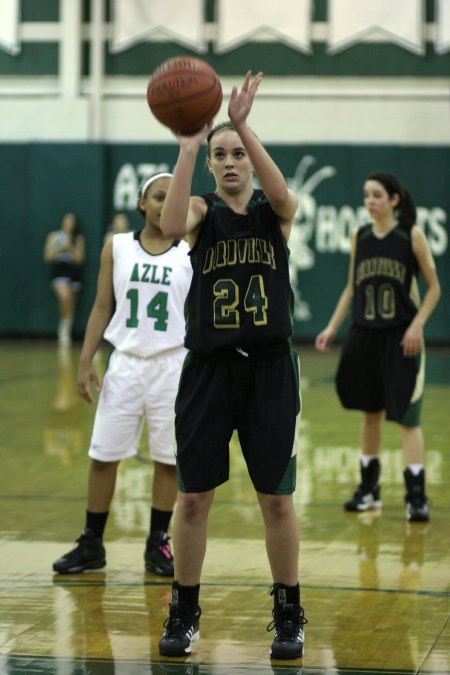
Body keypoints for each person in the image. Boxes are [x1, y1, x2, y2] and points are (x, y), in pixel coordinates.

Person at [157, 71, 306, 661]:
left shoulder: (275, 214)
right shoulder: (199, 212)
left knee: (276, 499)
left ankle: (288, 611)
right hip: (209, 370)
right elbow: (168, 227)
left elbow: (285, 193)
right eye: (220, 155)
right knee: (193, 499)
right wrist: (189, 143)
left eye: (236, 153)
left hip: (270, 370)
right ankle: (184, 609)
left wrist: (242, 123)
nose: (230, 162)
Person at [52, 173, 192, 576]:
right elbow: (100, 306)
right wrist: (84, 360)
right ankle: (92, 542)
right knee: (103, 454)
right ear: (141, 202)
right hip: (125, 363)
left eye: (172, 198)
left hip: (173, 364)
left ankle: (157, 543)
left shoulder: (190, 250)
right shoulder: (116, 247)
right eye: (159, 197)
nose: (166, 204)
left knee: (168, 459)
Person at [315, 171, 441, 523]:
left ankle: (416, 495)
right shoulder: (361, 235)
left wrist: (417, 324)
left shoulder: (410, 236)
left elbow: (434, 289)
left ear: (394, 200)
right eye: (366, 195)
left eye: (376, 195)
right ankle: (369, 489)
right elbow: (351, 289)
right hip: (365, 335)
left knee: (407, 419)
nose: (370, 201)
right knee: (369, 413)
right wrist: (331, 327)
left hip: (402, 338)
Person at [43, 212, 86, 347]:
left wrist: (71, 249)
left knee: (71, 304)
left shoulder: (78, 239)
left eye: (72, 221)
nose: (69, 223)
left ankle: (66, 331)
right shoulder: (54, 236)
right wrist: (60, 249)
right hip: (59, 270)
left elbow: (80, 259)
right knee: (64, 296)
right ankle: (63, 328)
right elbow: (48, 256)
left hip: (73, 271)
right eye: (67, 220)